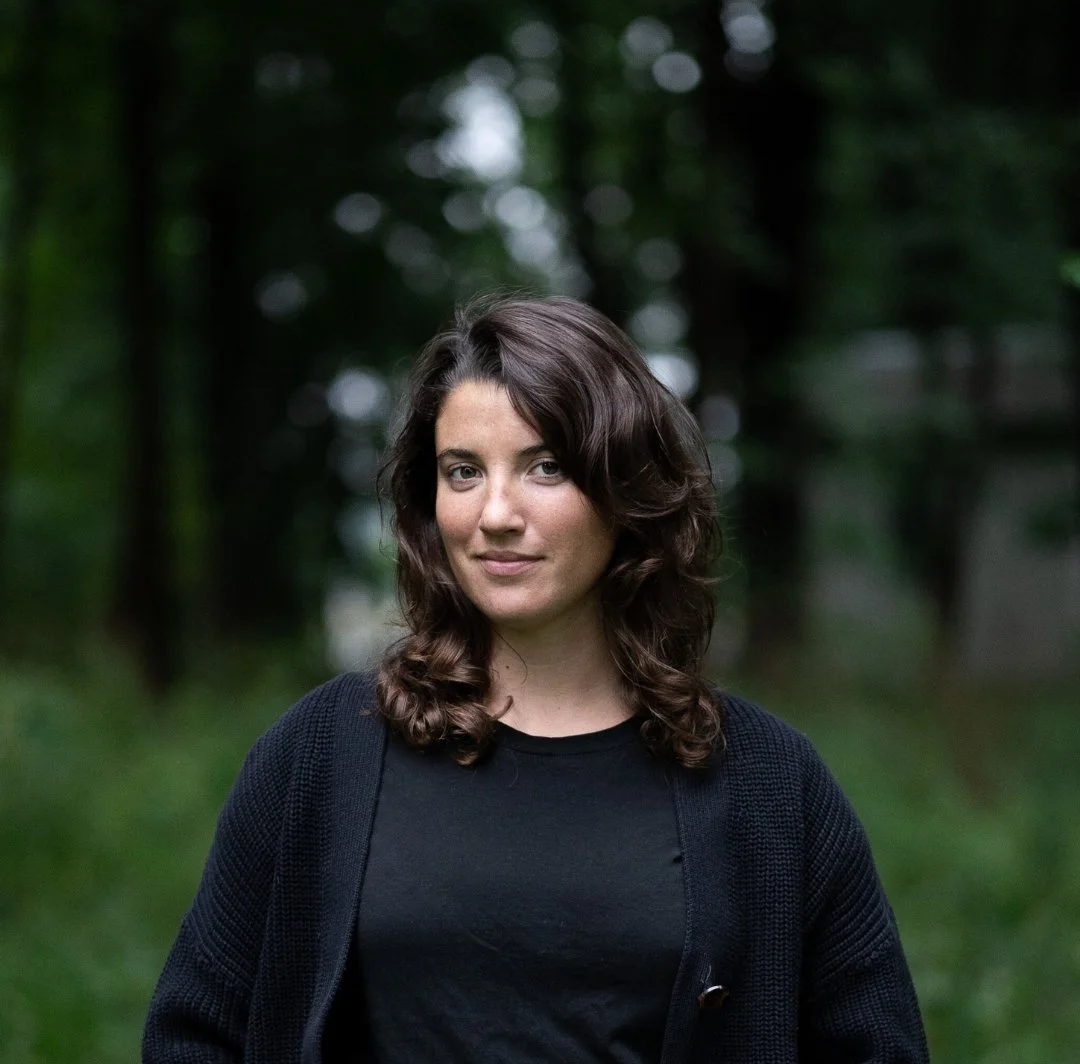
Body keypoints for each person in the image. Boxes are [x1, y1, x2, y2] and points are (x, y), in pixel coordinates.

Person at [142, 295, 930, 1063]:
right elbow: (193, 1033)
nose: (495, 513)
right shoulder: (319, 757)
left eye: (545, 467)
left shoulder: (768, 787)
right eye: (462, 471)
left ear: (628, 493)